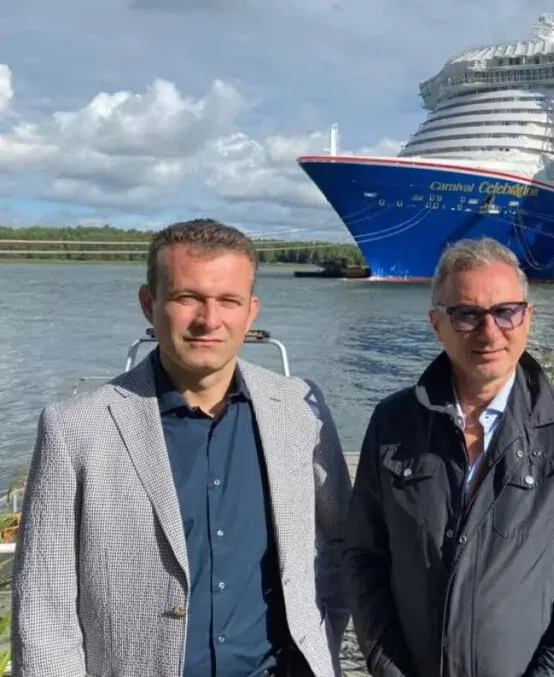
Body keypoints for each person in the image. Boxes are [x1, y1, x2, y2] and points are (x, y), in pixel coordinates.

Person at [11, 218, 352, 677]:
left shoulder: (299, 411)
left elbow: (342, 542)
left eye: (228, 301)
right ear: (149, 304)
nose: (209, 320)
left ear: (251, 311)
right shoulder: (76, 428)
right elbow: (43, 604)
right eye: (187, 297)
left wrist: (320, 638)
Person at [340, 237, 554, 677]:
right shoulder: (394, 423)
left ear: (528, 317)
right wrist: (386, 667)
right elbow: (363, 557)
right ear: (436, 324)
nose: (490, 332)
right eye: (467, 315)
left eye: (506, 311)